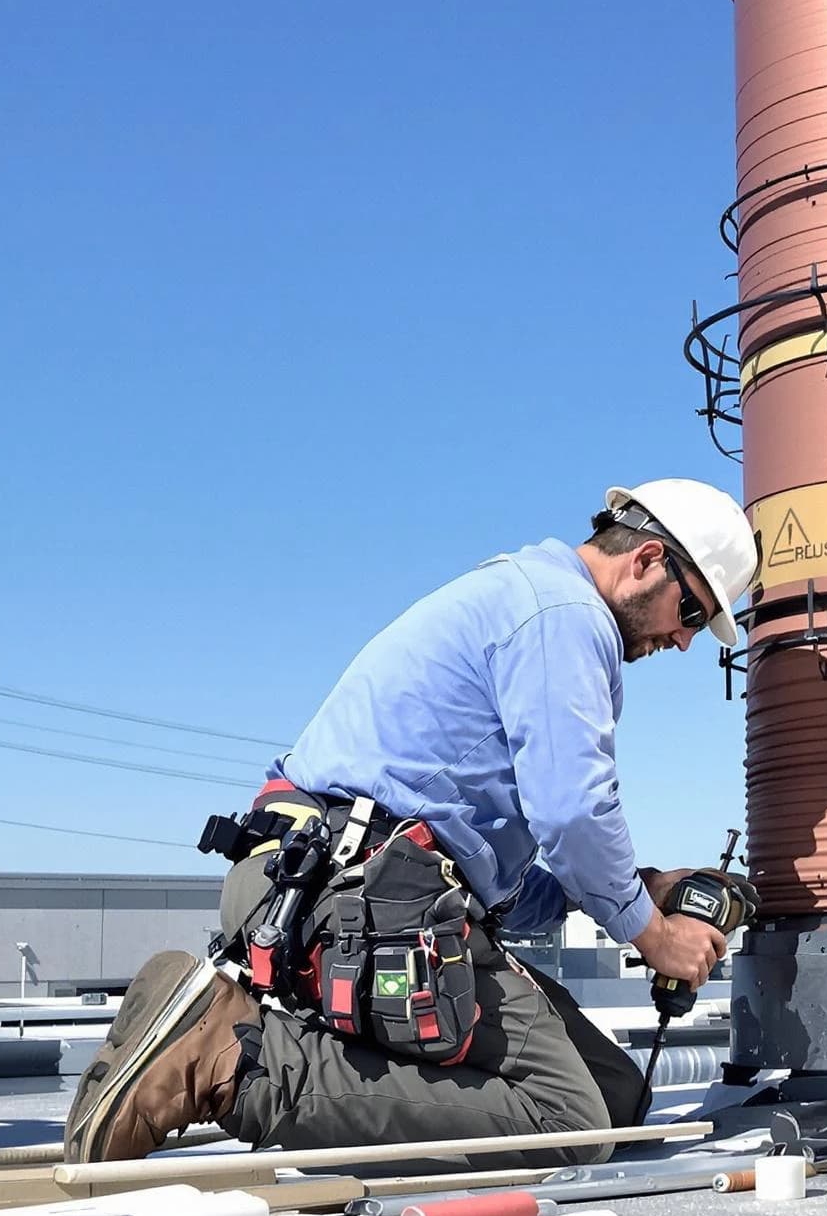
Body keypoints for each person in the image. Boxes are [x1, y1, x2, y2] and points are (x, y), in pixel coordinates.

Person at [63, 479, 759, 1166]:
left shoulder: (524, 598)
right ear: (647, 560)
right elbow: (574, 811)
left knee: (616, 1102)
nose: (685, 640)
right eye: (692, 613)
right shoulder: (564, 617)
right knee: (571, 1122)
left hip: (337, 887)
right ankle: (230, 1059)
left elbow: (507, 891)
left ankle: (283, 1065)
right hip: (359, 901)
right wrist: (654, 934)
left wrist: (645, 884)